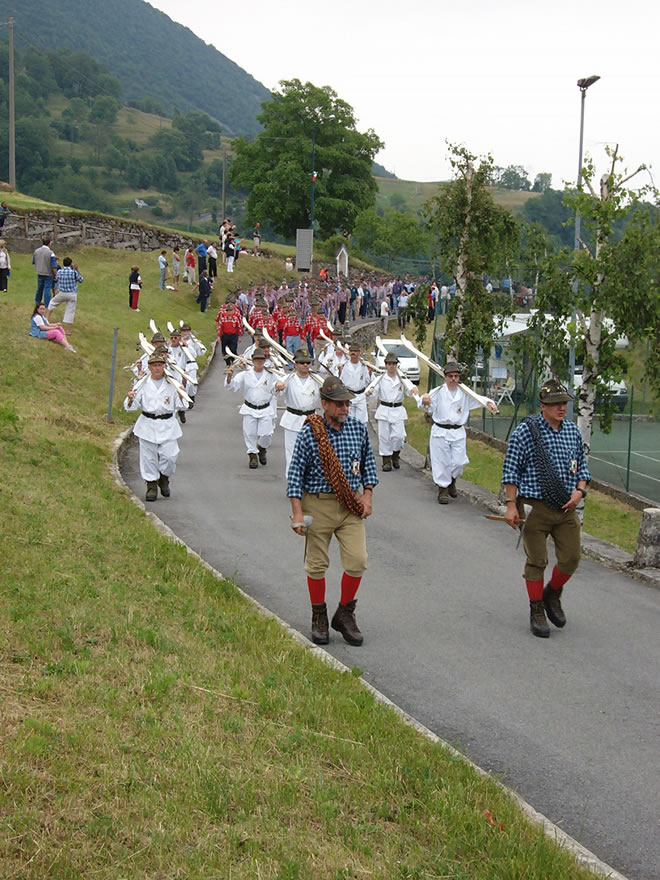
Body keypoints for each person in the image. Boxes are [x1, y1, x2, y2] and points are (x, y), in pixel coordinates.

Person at [287, 375, 378, 646]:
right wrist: (297, 512)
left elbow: (368, 465)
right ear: (324, 404)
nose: (344, 409)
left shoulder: (358, 429)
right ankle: (319, 616)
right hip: (318, 502)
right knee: (316, 564)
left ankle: (344, 614)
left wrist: (368, 495)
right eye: (338, 404)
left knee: (358, 560)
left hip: (350, 505)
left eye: (347, 404)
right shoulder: (310, 431)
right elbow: (294, 476)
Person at [502, 378, 591, 638]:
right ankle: (536, 608)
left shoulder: (572, 432)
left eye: (564, 403)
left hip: (565, 507)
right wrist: (511, 505)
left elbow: (582, 469)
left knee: (571, 558)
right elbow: (511, 470)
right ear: (542, 406)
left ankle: (552, 593)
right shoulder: (526, 431)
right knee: (537, 560)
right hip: (534, 507)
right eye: (555, 404)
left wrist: (579, 491)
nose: (561, 408)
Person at [417, 361, 497, 504]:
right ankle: (443, 489)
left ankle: (452, 481)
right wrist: (426, 401)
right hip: (440, 431)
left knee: (459, 462)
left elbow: (478, 399)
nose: (453, 379)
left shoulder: (464, 393)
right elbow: (424, 404)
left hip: (458, 431)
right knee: (441, 462)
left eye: (456, 376)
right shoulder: (438, 391)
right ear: (445, 377)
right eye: (450, 376)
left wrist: (489, 403)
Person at [124, 351, 187, 502]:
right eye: (154, 366)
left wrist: (181, 394)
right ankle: (151, 485)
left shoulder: (172, 383)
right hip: (147, 424)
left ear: (164, 366)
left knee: (170, 456)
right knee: (148, 458)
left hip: (167, 424)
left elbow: (182, 405)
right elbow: (131, 406)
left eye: (160, 365)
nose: (157, 368)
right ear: (150, 367)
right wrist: (131, 398)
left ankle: (164, 477)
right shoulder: (142, 384)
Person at [225, 348, 278, 468]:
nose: (259, 361)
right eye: (256, 359)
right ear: (252, 361)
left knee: (266, 434)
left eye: (261, 359)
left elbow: (276, 388)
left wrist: (279, 386)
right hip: (249, 408)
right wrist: (229, 377)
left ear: (264, 361)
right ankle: (253, 455)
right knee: (250, 433)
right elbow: (233, 386)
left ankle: (262, 448)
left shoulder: (271, 374)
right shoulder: (244, 375)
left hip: (265, 408)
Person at [368, 353, 417, 471]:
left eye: (394, 364)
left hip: (398, 409)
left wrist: (413, 389)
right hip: (385, 409)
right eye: (389, 364)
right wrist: (369, 393)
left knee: (399, 436)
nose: (391, 366)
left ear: (397, 365)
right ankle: (386, 461)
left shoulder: (402, 378)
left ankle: (395, 455)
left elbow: (409, 391)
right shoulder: (380, 379)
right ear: (385, 365)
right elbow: (373, 391)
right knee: (384, 437)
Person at [277, 348, 321, 475]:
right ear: (295, 364)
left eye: (308, 362)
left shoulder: (316, 380)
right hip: (292, 419)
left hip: (311, 419)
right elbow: (276, 393)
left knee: (312, 453)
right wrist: (278, 387)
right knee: (292, 453)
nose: (305, 365)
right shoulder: (288, 379)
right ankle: (292, 483)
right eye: (302, 362)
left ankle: (308, 484)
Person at [339, 342, 372, 424]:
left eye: (355, 351)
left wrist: (370, 371)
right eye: (351, 351)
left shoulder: (363, 366)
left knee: (362, 421)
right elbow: (340, 380)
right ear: (349, 353)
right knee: (348, 419)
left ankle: (361, 436)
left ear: (359, 353)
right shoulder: (344, 366)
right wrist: (340, 370)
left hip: (361, 395)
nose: (353, 353)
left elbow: (368, 380)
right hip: (349, 394)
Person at [49, 257, 83, 334]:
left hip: (62, 292)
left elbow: (57, 279)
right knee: (70, 311)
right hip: (72, 294)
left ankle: (47, 319)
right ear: (71, 264)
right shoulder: (73, 272)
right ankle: (68, 330)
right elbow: (81, 280)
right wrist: (76, 269)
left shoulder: (59, 272)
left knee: (52, 303)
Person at [33, 237, 56, 306]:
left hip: (39, 272)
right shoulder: (51, 253)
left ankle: (37, 302)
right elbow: (53, 265)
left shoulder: (36, 251)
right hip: (48, 273)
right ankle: (47, 304)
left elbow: (34, 261)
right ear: (49, 243)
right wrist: (55, 274)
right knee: (47, 289)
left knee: (39, 288)